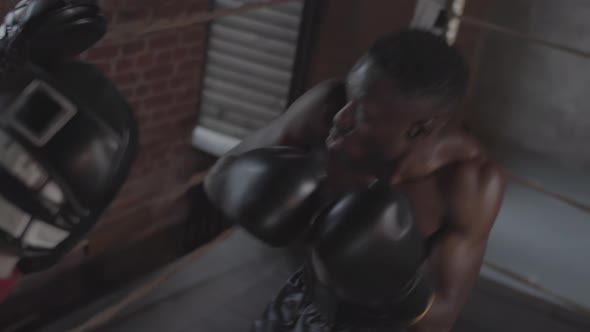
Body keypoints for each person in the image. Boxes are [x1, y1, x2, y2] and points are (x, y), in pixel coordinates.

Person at [203, 29, 505, 332]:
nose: (341, 117)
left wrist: (398, 290)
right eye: (351, 96)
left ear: (419, 129)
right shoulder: (324, 107)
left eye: (363, 114)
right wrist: (250, 187)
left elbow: (441, 318)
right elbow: (219, 176)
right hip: (304, 301)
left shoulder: (467, 182)